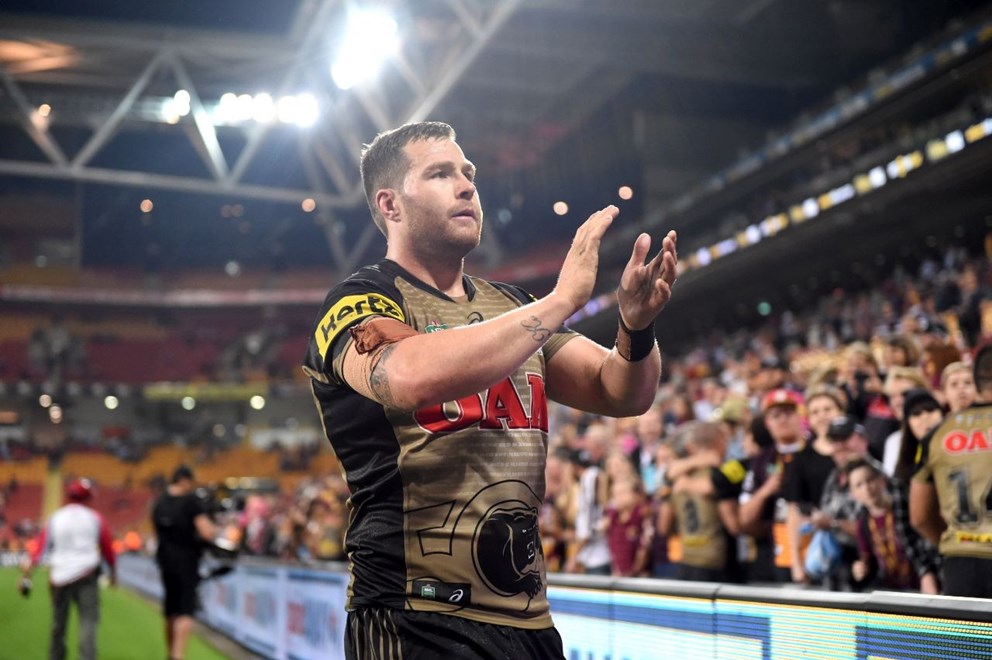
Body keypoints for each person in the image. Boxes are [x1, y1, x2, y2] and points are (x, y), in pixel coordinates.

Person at [302, 121, 677, 659]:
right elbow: (406, 377)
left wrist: (635, 327)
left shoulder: (511, 306)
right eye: (440, 174)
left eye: (468, 173)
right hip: (413, 616)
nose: (466, 186)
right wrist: (559, 301)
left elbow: (620, 392)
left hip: (528, 618)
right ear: (390, 204)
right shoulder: (360, 300)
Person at [910, 344, 992, 598]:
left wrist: (953, 541)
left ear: (977, 382)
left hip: (961, 563)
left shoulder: (935, 435)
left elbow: (919, 517)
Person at [20, 478, 117, 660]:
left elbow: (39, 551)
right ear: (88, 498)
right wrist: (113, 575)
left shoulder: (55, 518)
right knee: (88, 623)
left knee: (58, 625)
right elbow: (108, 550)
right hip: (87, 576)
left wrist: (26, 577)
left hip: (60, 577)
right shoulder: (95, 518)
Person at [151, 465, 219, 660]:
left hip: (165, 561)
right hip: (187, 561)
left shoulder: (159, 502)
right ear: (184, 480)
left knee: (170, 610)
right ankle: (178, 655)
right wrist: (214, 528)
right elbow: (206, 532)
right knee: (185, 611)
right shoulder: (190, 502)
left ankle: (170, 652)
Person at [845, 458, 939, 593]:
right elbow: (867, 560)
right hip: (890, 591)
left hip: (922, 585)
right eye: (859, 485)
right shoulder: (863, 524)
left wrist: (928, 573)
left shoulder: (904, 508)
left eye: (870, 480)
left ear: (882, 480)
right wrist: (860, 569)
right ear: (853, 494)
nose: (867, 488)